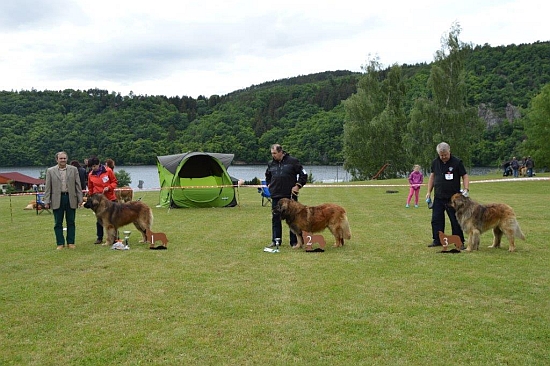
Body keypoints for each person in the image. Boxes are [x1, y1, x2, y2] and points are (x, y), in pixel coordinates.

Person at [425, 142, 469, 248]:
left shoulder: (457, 162)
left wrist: (466, 188)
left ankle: (459, 242)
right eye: (441, 155)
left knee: (455, 220)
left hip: (453, 198)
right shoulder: (435, 162)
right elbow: (432, 177)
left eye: (445, 155)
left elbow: (465, 175)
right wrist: (428, 192)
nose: (443, 157)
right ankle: (437, 240)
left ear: (449, 151)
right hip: (438, 197)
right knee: (436, 219)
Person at [265, 144, 308, 248]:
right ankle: (276, 241)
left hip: (290, 196)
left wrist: (298, 186)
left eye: (274, 153)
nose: (273, 155)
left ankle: (295, 242)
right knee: (276, 218)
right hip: (276, 195)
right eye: (272, 153)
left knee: (293, 219)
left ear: (281, 152)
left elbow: (304, 174)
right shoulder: (271, 164)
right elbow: (268, 175)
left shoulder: (293, 161)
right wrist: (269, 184)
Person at [43, 151, 83, 249]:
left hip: (70, 198)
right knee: (58, 223)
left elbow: (78, 185)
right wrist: (46, 201)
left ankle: (71, 242)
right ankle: (60, 243)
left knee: (71, 222)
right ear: (57, 159)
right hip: (57, 198)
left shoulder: (73, 170)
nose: (63, 160)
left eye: (64, 158)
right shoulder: (50, 171)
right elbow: (48, 187)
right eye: (61, 158)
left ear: (67, 159)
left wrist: (80, 198)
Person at [87, 156, 118, 244]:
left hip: (110, 198)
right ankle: (99, 237)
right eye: (91, 167)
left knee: (113, 219)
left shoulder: (108, 171)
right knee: (99, 220)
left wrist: (109, 187)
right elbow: (90, 188)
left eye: (94, 166)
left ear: (98, 164)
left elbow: (114, 182)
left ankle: (115, 237)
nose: (93, 168)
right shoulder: (90, 175)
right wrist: (91, 197)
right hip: (99, 202)